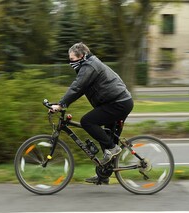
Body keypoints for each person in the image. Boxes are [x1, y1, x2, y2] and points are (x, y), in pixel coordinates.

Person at [51, 42, 134, 184]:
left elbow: (77, 87)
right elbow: (80, 90)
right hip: (116, 102)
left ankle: (113, 148)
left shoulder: (90, 66)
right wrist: (62, 103)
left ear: (82, 56)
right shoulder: (87, 65)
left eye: (72, 60)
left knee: (87, 122)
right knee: (105, 137)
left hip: (118, 103)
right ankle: (104, 174)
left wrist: (61, 104)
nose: (71, 63)